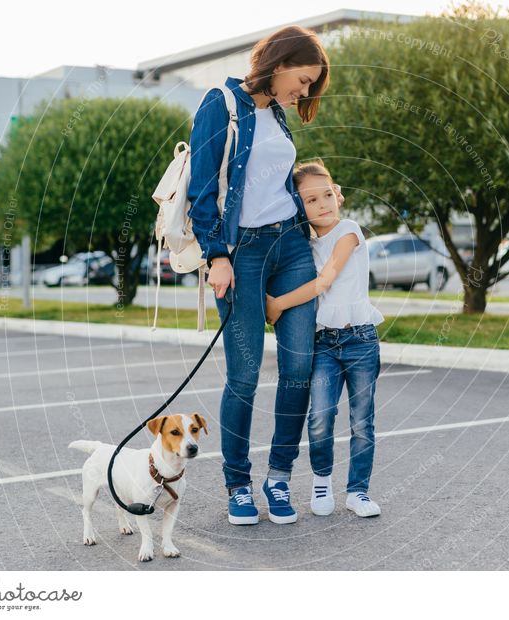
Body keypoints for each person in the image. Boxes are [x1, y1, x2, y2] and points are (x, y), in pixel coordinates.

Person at [188, 26, 336, 525]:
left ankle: (278, 477)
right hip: (242, 254)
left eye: (311, 85)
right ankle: (237, 485)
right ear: (278, 61)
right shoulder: (221, 103)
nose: (305, 92)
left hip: (291, 247)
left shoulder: (277, 114)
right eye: (304, 79)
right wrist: (217, 255)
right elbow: (202, 189)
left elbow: (279, 183)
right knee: (245, 377)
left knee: (298, 370)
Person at [266, 161, 384, 518]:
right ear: (300, 208)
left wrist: (278, 305)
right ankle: (322, 484)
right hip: (324, 345)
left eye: (327, 195)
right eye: (312, 200)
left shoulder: (349, 231)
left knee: (362, 420)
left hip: (361, 340)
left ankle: (358, 491)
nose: (323, 204)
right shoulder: (305, 246)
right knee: (319, 416)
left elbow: (325, 280)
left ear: (339, 195)